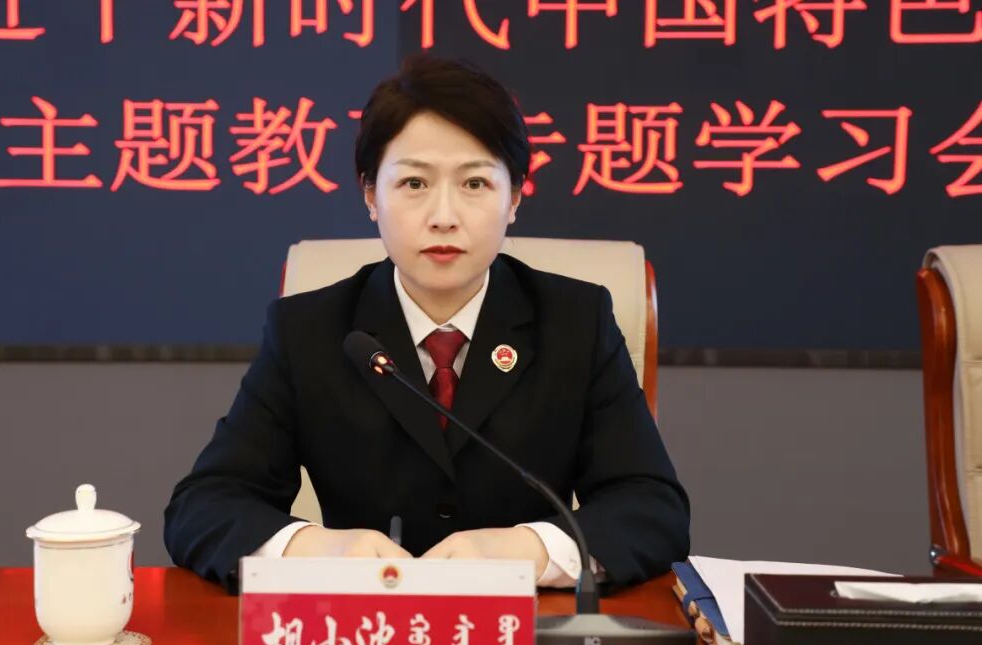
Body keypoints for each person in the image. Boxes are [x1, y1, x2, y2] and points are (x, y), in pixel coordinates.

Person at [164, 55, 689, 595]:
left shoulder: (575, 322)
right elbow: (204, 507)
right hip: (361, 629)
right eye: (414, 182)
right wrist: (320, 550)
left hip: (525, 632)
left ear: (514, 197)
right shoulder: (309, 331)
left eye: (475, 183)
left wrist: (525, 551)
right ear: (370, 195)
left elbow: (652, 508)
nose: (443, 216)